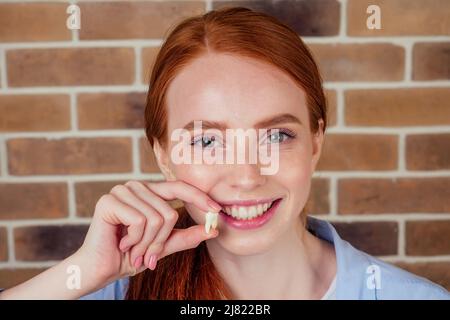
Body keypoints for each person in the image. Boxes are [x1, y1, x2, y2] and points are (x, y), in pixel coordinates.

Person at [1, 7, 448, 300]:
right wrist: (83, 270)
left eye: (275, 135)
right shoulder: (115, 288)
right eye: (206, 140)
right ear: (162, 154)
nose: (246, 175)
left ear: (316, 142)